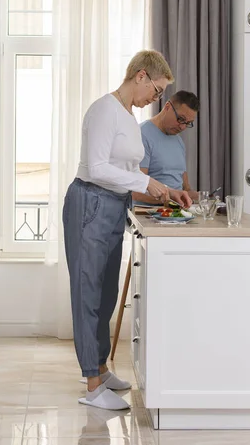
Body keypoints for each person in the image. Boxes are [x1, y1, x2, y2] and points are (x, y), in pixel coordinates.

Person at [62, 50, 193, 411]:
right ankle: (91, 385)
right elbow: (100, 167)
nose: (158, 97)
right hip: (89, 202)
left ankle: (101, 371)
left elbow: (126, 170)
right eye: (158, 89)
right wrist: (144, 182)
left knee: (105, 294)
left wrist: (158, 188)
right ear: (140, 76)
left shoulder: (127, 115)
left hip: (112, 206)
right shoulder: (105, 109)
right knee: (87, 293)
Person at [132, 91, 200, 205]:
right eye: (181, 119)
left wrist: (201, 197)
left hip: (176, 213)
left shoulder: (179, 141)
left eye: (188, 123)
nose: (183, 127)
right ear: (167, 107)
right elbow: (136, 191)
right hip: (149, 214)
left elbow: (185, 188)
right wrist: (171, 198)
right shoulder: (142, 135)